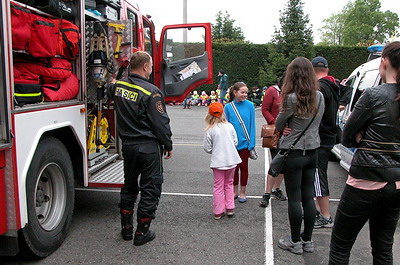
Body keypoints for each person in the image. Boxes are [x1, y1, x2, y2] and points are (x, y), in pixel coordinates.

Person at [329, 41, 400, 265]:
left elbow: (346, 135)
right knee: (383, 247)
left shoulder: (373, 95)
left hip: (366, 178)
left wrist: (362, 137)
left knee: (341, 246)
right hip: (397, 181)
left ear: (385, 62)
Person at [107, 51, 173, 246]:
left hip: (128, 147)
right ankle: (141, 233)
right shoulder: (151, 91)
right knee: (151, 188)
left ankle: (126, 230)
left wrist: (114, 75)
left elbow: (110, 86)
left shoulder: (119, 86)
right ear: (145, 66)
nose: (152, 69)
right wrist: (168, 145)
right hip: (148, 147)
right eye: (151, 66)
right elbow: (160, 123)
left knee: (129, 186)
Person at [275, 57, 324, 255]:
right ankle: (308, 240)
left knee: (294, 198)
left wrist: (286, 128)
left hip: (293, 153)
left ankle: (294, 241)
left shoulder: (291, 98)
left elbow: (279, 124)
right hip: (313, 151)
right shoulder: (319, 96)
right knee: (308, 197)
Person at [311, 56, 340, 229]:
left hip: (319, 138)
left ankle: (325, 216)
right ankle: (319, 211)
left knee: (318, 175)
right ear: (327, 70)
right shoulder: (333, 85)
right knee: (319, 174)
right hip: (329, 136)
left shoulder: (319, 88)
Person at [203, 102, 242, 220]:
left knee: (218, 186)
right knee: (229, 183)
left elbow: (207, 148)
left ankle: (218, 211)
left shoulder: (210, 129)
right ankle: (230, 207)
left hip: (218, 162)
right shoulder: (230, 126)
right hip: (231, 160)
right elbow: (235, 142)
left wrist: (214, 150)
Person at [224, 82, 256, 203]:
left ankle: (243, 191)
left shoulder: (250, 106)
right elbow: (225, 125)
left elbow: (252, 125)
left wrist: (251, 143)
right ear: (235, 92)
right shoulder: (228, 107)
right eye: (242, 92)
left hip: (245, 143)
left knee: (244, 168)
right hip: (232, 144)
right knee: (234, 169)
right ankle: (234, 190)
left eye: (246, 92)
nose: (245, 94)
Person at [259, 80, 287, 208]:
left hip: (288, 134)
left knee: (284, 164)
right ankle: (267, 193)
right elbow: (264, 109)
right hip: (275, 133)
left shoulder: (292, 92)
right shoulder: (272, 91)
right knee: (276, 162)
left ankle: (276, 189)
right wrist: (274, 123)